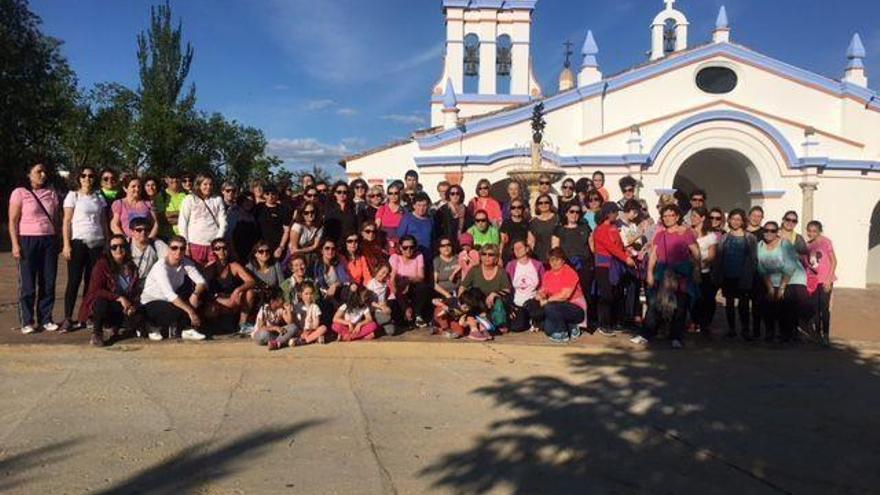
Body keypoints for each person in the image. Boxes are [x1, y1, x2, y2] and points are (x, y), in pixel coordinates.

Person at [631, 205, 700, 349]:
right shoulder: (659, 234)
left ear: (677, 217)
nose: (668, 218)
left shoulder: (686, 233)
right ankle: (646, 334)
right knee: (654, 304)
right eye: (665, 216)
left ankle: (676, 337)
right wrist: (649, 273)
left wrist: (696, 270)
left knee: (680, 307)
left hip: (681, 274)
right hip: (661, 273)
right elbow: (654, 255)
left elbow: (696, 252)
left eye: (671, 215)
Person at [9, 163, 62, 333]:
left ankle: (46, 318)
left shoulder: (52, 194)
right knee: (28, 283)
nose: (43, 174)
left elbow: (55, 218)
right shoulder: (20, 193)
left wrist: (58, 239)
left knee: (48, 281)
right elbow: (13, 221)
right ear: (29, 174)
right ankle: (27, 321)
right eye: (38, 171)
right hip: (27, 240)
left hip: (48, 241)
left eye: (44, 171)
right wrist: (15, 244)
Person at [60, 166, 109, 332]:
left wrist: (107, 241)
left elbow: (103, 221)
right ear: (78, 178)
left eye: (90, 176)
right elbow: (67, 221)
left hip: (97, 242)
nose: (87, 178)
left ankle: (86, 315)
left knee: (92, 282)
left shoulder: (98, 197)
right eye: (83, 175)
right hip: (78, 242)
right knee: (74, 281)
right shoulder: (73, 196)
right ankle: (68, 318)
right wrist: (66, 244)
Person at [78, 235, 144, 346]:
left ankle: (116, 328)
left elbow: (135, 291)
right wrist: (119, 298)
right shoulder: (102, 265)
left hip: (123, 306)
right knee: (100, 302)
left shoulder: (132, 267)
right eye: (114, 247)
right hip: (107, 303)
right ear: (109, 249)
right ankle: (97, 333)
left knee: (141, 315)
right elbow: (96, 290)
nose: (118, 249)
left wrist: (133, 305)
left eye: (122, 246)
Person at [140, 235, 207, 341]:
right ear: (168, 249)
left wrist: (195, 294)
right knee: (181, 310)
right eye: (174, 248)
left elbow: (201, 281)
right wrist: (191, 312)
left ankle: (186, 330)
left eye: (182, 248)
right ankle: (150, 326)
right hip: (151, 301)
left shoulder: (185, 262)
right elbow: (170, 295)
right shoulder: (161, 267)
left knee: (199, 300)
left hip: (169, 301)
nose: (178, 251)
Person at [757, 221, 809, 343]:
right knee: (767, 304)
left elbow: (790, 266)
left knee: (785, 304)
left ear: (777, 232)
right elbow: (761, 267)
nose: (769, 233)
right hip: (772, 279)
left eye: (772, 231)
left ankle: (786, 334)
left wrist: (781, 288)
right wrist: (770, 288)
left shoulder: (784, 244)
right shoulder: (759, 245)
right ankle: (770, 332)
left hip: (791, 279)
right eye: (766, 230)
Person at [712, 209, 758, 340]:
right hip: (728, 275)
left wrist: (751, 273)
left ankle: (745, 329)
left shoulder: (750, 237)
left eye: (738, 219)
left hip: (744, 275)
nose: (736, 222)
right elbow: (719, 257)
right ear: (729, 220)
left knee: (743, 304)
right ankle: (731, 329)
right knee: (729, 303)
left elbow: (754, 258)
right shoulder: (725, 237)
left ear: (743, 221)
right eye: (733, 219)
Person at [593, 203, 637, 336]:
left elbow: (619, 246)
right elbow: (610, 247)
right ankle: (603, 323)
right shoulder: (600, 229)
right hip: (604, 265)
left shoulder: (613, 227)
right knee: (606, 294)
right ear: (608, 213)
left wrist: (627, 252)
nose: (617, 214)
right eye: (615, 212)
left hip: (616, 265)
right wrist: (626, 258)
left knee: (617, 293)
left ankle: (614, 322)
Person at [530, 248, 587, 343]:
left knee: (550, 307)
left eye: (557, 259)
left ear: (563, 260)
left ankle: (562, 333)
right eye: (552, 260)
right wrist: (540, 295)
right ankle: (571, 326)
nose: (554, 262)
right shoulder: (547, 274)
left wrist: (547, 300)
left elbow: (565, 295)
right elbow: (543, 290)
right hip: (556, 307)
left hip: (574, 307)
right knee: (547, 326)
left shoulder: (569, 272)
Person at [202, 238, 257, 333]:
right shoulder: (209, 268)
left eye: (224, 248)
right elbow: (205, 291)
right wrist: (219, 299)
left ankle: (242, 324)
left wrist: (238, 290)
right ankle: (213, 327)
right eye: (217, 248)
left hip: (234, 300)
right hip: (217, 301)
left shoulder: (234, 266)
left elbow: (251, 281)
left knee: (250, 292)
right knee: (211, 309)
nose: (221, 251)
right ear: (213, 251)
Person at [460, 243, 511, 332]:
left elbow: (507, 290)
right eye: (484, 254)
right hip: (477, 304)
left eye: (491, 254)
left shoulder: (501, 272)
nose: (487, 257)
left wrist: (494, 294)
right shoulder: (474, 270)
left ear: (496, 257)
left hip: (493, 305)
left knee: (499, 301)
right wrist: (461, 302)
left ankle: (495, 323)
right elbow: (462, 287)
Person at [178, 174, 227, 266]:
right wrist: (185, 245)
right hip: (195, 243)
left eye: (210, 184)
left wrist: (218, 241)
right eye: (205, 184)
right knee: (195, 272)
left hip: (214, 244)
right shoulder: (189, 199)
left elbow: (223, 221)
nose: (208, 187)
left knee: (214, 273)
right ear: (199, 185)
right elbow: (183, 222)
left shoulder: (217, 199)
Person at [552, 202, 593, 307]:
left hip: (584, 266)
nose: (574, 214)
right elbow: (555, 250)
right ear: (566, 213)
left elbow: (593, 248)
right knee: (568, 293)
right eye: (572, 211)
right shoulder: (559, 230)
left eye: (577, 212)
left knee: (585, 293)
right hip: (567, 266)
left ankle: (586, 319)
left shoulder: (585, 228)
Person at [389, 235, 431, 327]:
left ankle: (417, 314)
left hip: (413, 289)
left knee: (423, 287)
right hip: (398, 292)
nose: (408, 250)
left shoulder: (419, 255)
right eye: (405, 247)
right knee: (399, 320)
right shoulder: (395, 257)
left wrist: (407, 280)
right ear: (400, 247)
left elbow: (421, 277)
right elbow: (392, 281)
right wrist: (405, 306)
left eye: (411, 247)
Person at [805, 220, 836, 345]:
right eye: (809, 231)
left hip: (825, 280)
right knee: (815, 308)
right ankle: (817, 335)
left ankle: (826, 335)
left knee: (824, 308)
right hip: (813, 281)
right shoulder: (808, 246)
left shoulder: (826, 242)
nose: (811, 233)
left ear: (819, 231)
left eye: (814, 231)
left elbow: (834, 261)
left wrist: (829, 280)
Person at [506, 240, 545, 332]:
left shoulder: (537, 265)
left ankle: (535, 319)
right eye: (515, 249)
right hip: (517, 302)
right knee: (517, 327)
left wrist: (541, 295)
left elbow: (544, 283)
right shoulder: (511, 265)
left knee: (537, 312)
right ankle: (527, 320)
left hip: (533, 301)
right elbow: (507, 285)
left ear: (527, 249)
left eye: (519, 248)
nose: (517, 250)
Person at [691, 207, 719, 335]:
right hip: (689, 270)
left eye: (695, 216)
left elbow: (712, 256)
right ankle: (693, 321)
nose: (693, 218)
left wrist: (700, 264)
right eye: (692, 215)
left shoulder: (710, 235)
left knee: (705, 298)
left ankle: (704, 323)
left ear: (702, 218)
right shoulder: (688, 232)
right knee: (691, 299)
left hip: (704, 271)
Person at [312, 239, 352, 326]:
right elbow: (316, 284)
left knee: (347, 291)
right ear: (321, 250)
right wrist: (328, 293)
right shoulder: (317, 265)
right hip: (323, 295)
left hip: (337, 293)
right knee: (321, 302)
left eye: (333, 249)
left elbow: (345, 280)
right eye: (327, 248)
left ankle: (346, 322)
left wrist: (335, 285)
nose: (330, 251)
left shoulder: (337, 264)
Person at [129, 217, 168, 292]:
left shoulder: (156, 244)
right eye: (139, 230)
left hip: (150, 282)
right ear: (132, 232)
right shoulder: (126, 244)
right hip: (129, 283)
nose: (143, 232)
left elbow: (169, 260)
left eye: (146, 230)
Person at [255, 184, 292, 260]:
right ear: (264, 195)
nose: (270, 196)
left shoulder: (283, 209)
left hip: (277, 246)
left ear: (277, 195)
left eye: (273, 194)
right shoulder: (258, 207)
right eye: (267, 194)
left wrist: (281, 247)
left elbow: (286, 230)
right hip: (260, 246)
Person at [746, 205, 766, 337]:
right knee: (743, 302)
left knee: (758, 303)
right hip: (743, 271)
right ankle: (745, 329)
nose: (756, 218)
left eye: (759, 216)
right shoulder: (742, 231)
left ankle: (757, 330)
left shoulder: (765, 232)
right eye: (754, 215)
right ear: (749, 216)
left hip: (759, 272)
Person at [433, 184, 472, 250]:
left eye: (457, 193)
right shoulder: (442, 210)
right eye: (452, 193)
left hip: (461, 245)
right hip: (446, 246)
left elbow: (469, 228)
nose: (455, 196)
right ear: (449, 195)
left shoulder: (466, 210)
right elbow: (437, 230)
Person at [397, 192, 434, 259]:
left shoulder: (430, 219)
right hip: (412, 256)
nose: (421, 208)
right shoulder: (407, 219)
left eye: (424, 205)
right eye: (419, 205)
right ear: (414, 205)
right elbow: (400, 237)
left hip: (428, 255)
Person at [288, 202, 324, 267]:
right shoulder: (297, 226)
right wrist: (311, 248)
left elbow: (315, 246)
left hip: (309, 253)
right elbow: (294, 249)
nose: (310, 214)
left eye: (312, 212)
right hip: (296, 255)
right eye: (306, 213)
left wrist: (310, 248)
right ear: (302, 214)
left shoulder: (319, 226)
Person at [324, 181, 358, 245]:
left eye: (345, 192)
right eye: (339, 192)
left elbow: (355, 227)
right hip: (335, 243)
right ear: (334, 193)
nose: (342, 194)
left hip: (350, 244)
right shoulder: (329, 208)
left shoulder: (353, 208)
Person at [366, 262, 396, 337]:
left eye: (386, 274)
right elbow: (369, 301)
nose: (384, 275)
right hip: (374, 310)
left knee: (391, 331)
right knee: (386, 318)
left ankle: (378, 328)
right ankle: (375, 329)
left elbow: (386, 297)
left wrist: (385, 305)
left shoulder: (385, 285)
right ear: (377, 270)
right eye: (383, 272)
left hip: (382, 309)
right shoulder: (371, 283)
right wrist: (381, 307)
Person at [230, 192, 259, 264]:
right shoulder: (234, 214)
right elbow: (229, 235)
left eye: (252, 201)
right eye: (247, 200)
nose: (249, 203)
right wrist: (233, 252)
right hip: (237, 252)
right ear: (241, 201)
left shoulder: (252, 216)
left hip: (250, 254)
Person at [499, 198, 530, 264]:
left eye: (519, 207)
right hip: (508, 256)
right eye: (513, 207)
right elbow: (502, 242)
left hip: (522, 255)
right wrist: (499, 257)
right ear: (510, 210)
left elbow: (529, 241)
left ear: (523, 209)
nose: (516, 209)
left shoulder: (527, 223)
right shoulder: (506, 223)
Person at [529, 193, 558, 263]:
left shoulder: (557, 219)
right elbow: (531, 242)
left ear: (550, 204)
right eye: (540, 203)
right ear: (537, 205)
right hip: (538, 257)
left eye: (546, 202)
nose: (543, 205)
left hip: (555, 257)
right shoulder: (533, 222)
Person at [376, 183, 405, 247]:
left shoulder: (404, 210)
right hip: (384, 243)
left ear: (399, 194)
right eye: (390, 193)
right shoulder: (382, 209)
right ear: (387, 195)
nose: (393, 195)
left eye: (396, 193)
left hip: (399, 244)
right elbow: (377, 227)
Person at [433, 236, 461, 301]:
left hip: (459, 292)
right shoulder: (437, 261)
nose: (446, 248)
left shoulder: (458, 258)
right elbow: (434, 283)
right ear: (439, 248)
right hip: (443, 294)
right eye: (443, 246)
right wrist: (447, 295)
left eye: (448, 245)